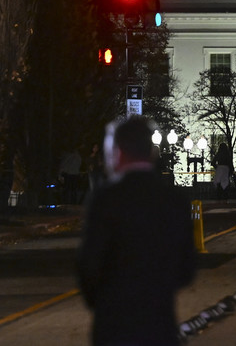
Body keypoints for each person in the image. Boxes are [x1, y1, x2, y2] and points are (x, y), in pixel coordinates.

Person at [77, 116, 196, 346]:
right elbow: (186, 269)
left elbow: (89, 264)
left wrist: (103, 302)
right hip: (159, 322)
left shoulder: (105, 198)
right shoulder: (175, 199)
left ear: (117, 152)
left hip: (114, 323)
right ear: (151, 152)